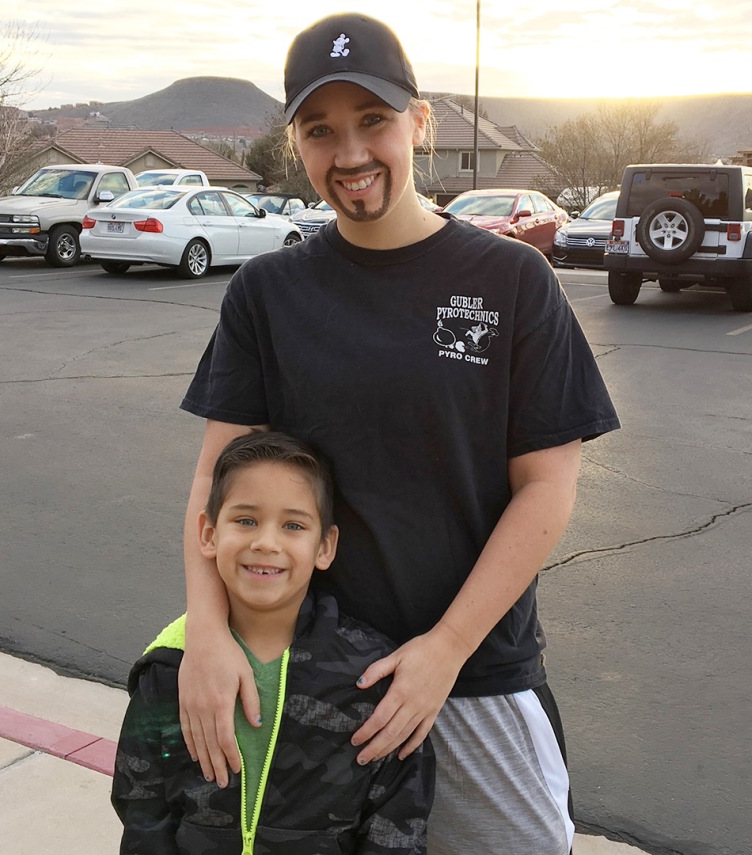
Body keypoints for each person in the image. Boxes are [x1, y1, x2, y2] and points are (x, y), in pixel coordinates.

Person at [177, 13, 621, 855]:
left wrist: (445, 651)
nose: (349, 154)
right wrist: (207, 633)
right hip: (310, 672)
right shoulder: (267, 294)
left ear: (420, 123)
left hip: (469, 676)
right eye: (321, 131)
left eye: (373, 121)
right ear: (295, 143)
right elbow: (214, 481)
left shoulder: (512, 280)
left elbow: (547, 486)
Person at [111, 431, 435, 854]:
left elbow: (398, 823)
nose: (266, 542)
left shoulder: (369, 677)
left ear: (325, 547)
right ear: (208, 534)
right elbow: (142, 809)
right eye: (246, 520)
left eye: (293, 525)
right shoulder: (172, 669)